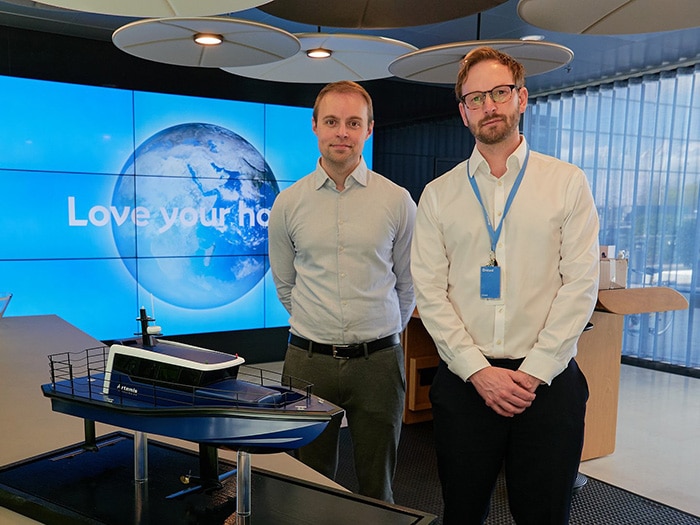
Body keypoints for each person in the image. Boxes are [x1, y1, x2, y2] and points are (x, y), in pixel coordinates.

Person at [410, 47, 599, 524]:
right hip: (466, 386)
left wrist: (533, 371)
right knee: (462, 512)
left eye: (499, 93)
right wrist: (478, 371)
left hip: (548, 388)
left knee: (543, 515)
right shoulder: (439, 194)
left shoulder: (566, 183)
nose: (488, 106)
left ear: (522, 98)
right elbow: (430, 294)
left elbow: (580, 286)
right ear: (463, 112)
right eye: (475, 98)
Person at [268, 80, 416, 503]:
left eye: (354, 122)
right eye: (332, 121)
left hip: (379, 365)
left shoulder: (397, 200)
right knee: (307, 483)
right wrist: (319, 326)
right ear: (315, 126)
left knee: (377, 486)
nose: (342, 132)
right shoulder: (289, 203)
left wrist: (381, 331)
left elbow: (408, 283)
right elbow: (285, 283)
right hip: (307, 360)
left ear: (369, 129)